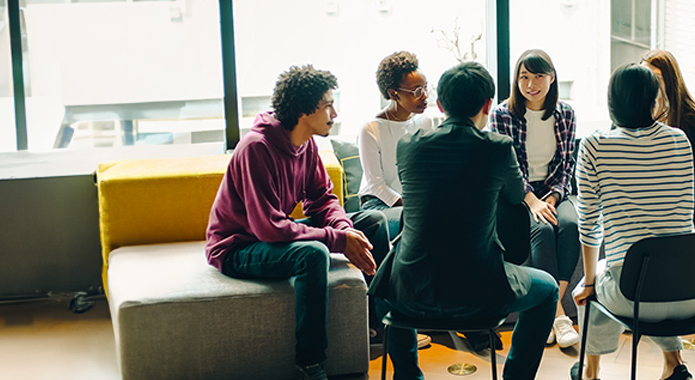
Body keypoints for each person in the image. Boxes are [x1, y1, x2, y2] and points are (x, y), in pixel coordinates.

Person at [369, 61, 558, 380]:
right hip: (481, 293)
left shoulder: (408, 146)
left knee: (384, 286)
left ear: (440, 104)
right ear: (487, 105)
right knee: (549, 289)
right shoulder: (498, 148)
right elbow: (514, 196)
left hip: (412, 292)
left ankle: (408, 375)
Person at [205, 65, 391, 380]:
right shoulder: (256, 148)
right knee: (313, 254)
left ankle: (380, 324)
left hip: (267, 235)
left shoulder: (307, 145)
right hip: (238, 246)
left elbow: (322, 200)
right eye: (328, 105)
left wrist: (345, 230)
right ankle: (309, 363)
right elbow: (269, 228)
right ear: (305, 111)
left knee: (371, 221)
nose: (335, 112)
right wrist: (337, 241)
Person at [571, 63, 695, 380]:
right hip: (694, 289)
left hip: (635, 294)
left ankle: (590, 373)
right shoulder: (680, 140)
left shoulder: (594, 146)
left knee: (588, 291)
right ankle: (674, 363)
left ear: (611, 102)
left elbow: (589, 225)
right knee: (650, 271)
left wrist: (588, 283)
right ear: (654, 101)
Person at [487, 48, 581, 348]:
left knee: (569, 224)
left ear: (552, 78)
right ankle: (559, 315)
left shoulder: (566, 113)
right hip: (519, 193)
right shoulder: (502, 114)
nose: (531, 84)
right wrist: (532, 201)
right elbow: (508, 168)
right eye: (524, 77)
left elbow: (568, 164)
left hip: (554, 189)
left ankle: (552, 310)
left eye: (538, 76)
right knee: (540, 229)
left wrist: (552, 197)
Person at [358, 51, 434, 239]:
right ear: (394, 94)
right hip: (378, 205)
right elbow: (377, 185)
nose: (424, 96)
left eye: (425, 88)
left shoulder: (426, 122)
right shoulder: (371, 129)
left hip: (414, 202)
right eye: (417, 91)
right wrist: (414, 205)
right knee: (421, 223)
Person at [642, 50, 695, 231]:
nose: (649, 82)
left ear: (669, 79)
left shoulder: (693, 119)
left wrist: (672, 188)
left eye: (655, 77)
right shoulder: (639, 112)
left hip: (688, 197)